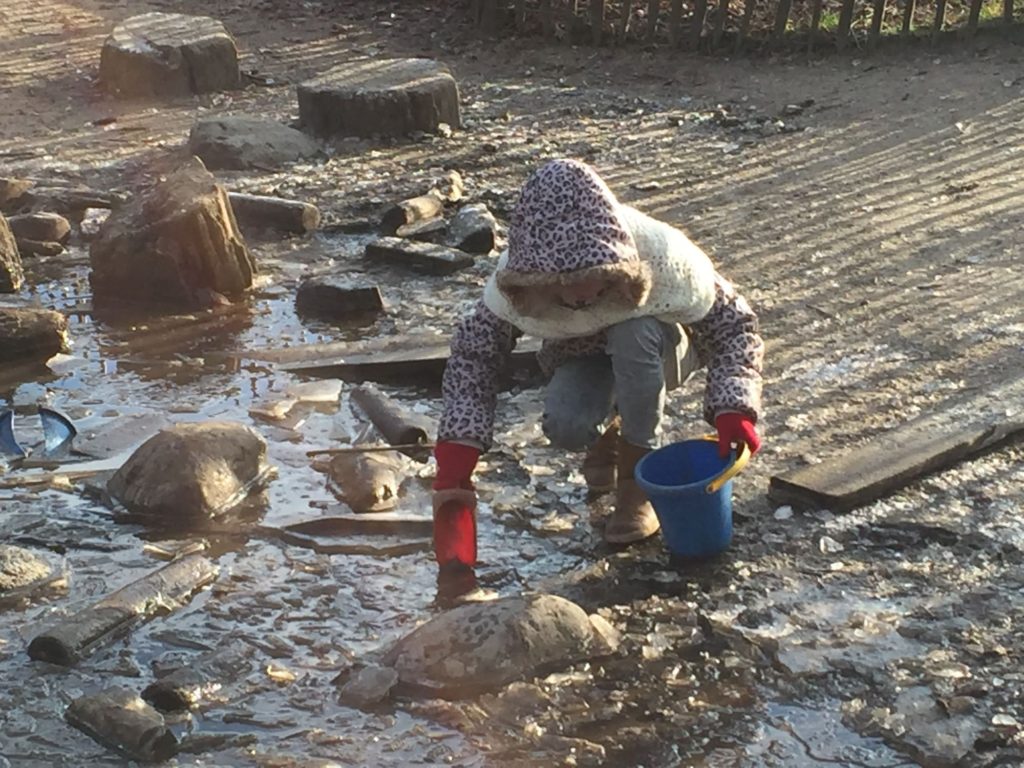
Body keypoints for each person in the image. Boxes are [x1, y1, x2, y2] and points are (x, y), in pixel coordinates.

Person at [431, 159, 763, 593]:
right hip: (583, 356)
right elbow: (473, 358)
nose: (581, 295)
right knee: (567, 424)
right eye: (563, 286)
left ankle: (636, 487)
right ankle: (608, 438)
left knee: (633, 335)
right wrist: (457, 459)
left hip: (661, 350)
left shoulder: (661, 254)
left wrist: (734, 407)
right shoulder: (514, 283)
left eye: (593, 280)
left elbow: (736, 327)